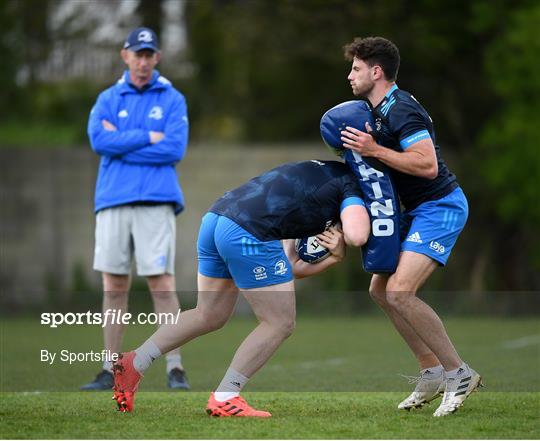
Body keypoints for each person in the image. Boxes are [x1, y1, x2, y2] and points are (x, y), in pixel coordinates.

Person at [111, 159, 370, 416]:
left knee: (208, 314)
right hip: (248, 230)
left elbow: (288, 267)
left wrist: (333, 258)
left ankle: (135, 361)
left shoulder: (316, 174)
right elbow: (358, 235)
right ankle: (226, 396)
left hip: (216, 218)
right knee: (279, 322)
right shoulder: (351, 186)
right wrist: (343, 245)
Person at [340, 36, 481, 417]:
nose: (349, 75)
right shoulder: (379, 110)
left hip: (441, 205)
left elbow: (427, 165)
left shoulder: (401, 109)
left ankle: (459, 373)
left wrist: (374, 150)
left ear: (376, 71)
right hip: (418, 209)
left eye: (355, 68)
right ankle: (431, 370)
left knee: (401, 291)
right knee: (381, 289)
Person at [81, 27, 190, 391]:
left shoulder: (172, 98)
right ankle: (110, 368)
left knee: (161, 283)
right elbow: (99, 140)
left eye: (149, 55)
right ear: (125, 55)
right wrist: (148, 135)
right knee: (113, 285)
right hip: (113, 199)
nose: (143, 61)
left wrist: (122, 141)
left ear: (156, 58)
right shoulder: (108, 98)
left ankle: (175, 368)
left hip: (156, 201)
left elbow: (173, 149)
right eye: (137, 54)